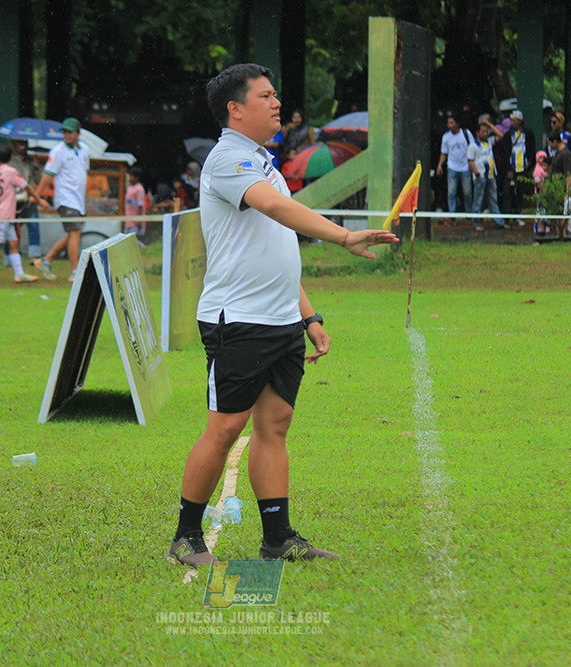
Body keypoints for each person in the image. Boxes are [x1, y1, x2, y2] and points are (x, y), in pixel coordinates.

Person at [167, 63, 396, 567]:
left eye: (275, 95)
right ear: (235, 109)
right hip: (238, 320)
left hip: (281, 320)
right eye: (266, 96)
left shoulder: (263, 161)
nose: (277, 104)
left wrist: (308, 317)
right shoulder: (227, 159)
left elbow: (276, 245)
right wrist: (343, 235)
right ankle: (185, 538)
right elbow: (273, 209)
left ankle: (277, 539)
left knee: (275, 425)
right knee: (226, 428)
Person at [0, 144, 48, 285]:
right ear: (11, 158)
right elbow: (27, 186)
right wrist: (39, 200)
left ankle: (19, 274)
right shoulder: (11, 172)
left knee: (13, 243)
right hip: (4, 214)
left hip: (2, 212)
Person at [33, 117, 90, 282]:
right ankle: (75, 271)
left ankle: (46, 260)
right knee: (75, 232)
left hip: (79, 200)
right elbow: (47, 176)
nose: (67, 135)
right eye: (64, 132)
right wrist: (36, 196)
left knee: (74, 234)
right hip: (66, 199)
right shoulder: (58, 151)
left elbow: (83, 173)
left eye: (70, 132)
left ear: (78, 133)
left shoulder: (85, 149)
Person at [489, 110, 535, 214]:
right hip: (511, 166)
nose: (513, 123)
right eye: (512, 121)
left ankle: (518, 214)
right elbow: (506, 153)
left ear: (520, 121)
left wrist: (529, 162)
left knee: (520, 192)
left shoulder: (528, 133)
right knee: (508, 192)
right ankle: (507, 215)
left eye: (514, 121)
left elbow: (532, 149)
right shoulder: (508, 135)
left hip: (523, 166)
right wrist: (509, 168)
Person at [435, 113, 474, 220]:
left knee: (467, 193)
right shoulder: (446, 137)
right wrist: (439, 165)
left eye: (451, 123)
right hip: (452, 167)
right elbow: (444, 153)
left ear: (457, 124)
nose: (449, 125)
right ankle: (452, 215)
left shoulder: (466, 133)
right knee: (451, 192)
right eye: (448, 123)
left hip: (465, 167)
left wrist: (472, 163)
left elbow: (473, 147)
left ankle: (469, 214)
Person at [469, 120, 507, 231]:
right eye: (483, 132)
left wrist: (490, 125)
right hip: (480, 176)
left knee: (493, 200)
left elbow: (501, 136)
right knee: (478, 200)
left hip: (491, 176)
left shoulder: (489, 142)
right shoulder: (473, 146)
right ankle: (476, 222)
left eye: (487, 132)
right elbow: (470, 161)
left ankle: (498, 222)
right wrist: (477, 173)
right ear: (477, 133)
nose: (486, 134)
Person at [123, 166, 147, 243]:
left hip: (135, 221)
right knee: (127, 241)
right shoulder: (130, 188)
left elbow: (140, 205)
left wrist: (139, 220)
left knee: (134, 241)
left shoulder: (139, 189)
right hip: (128, 220)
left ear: (137, 178)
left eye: (132, 176)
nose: (130, 178)